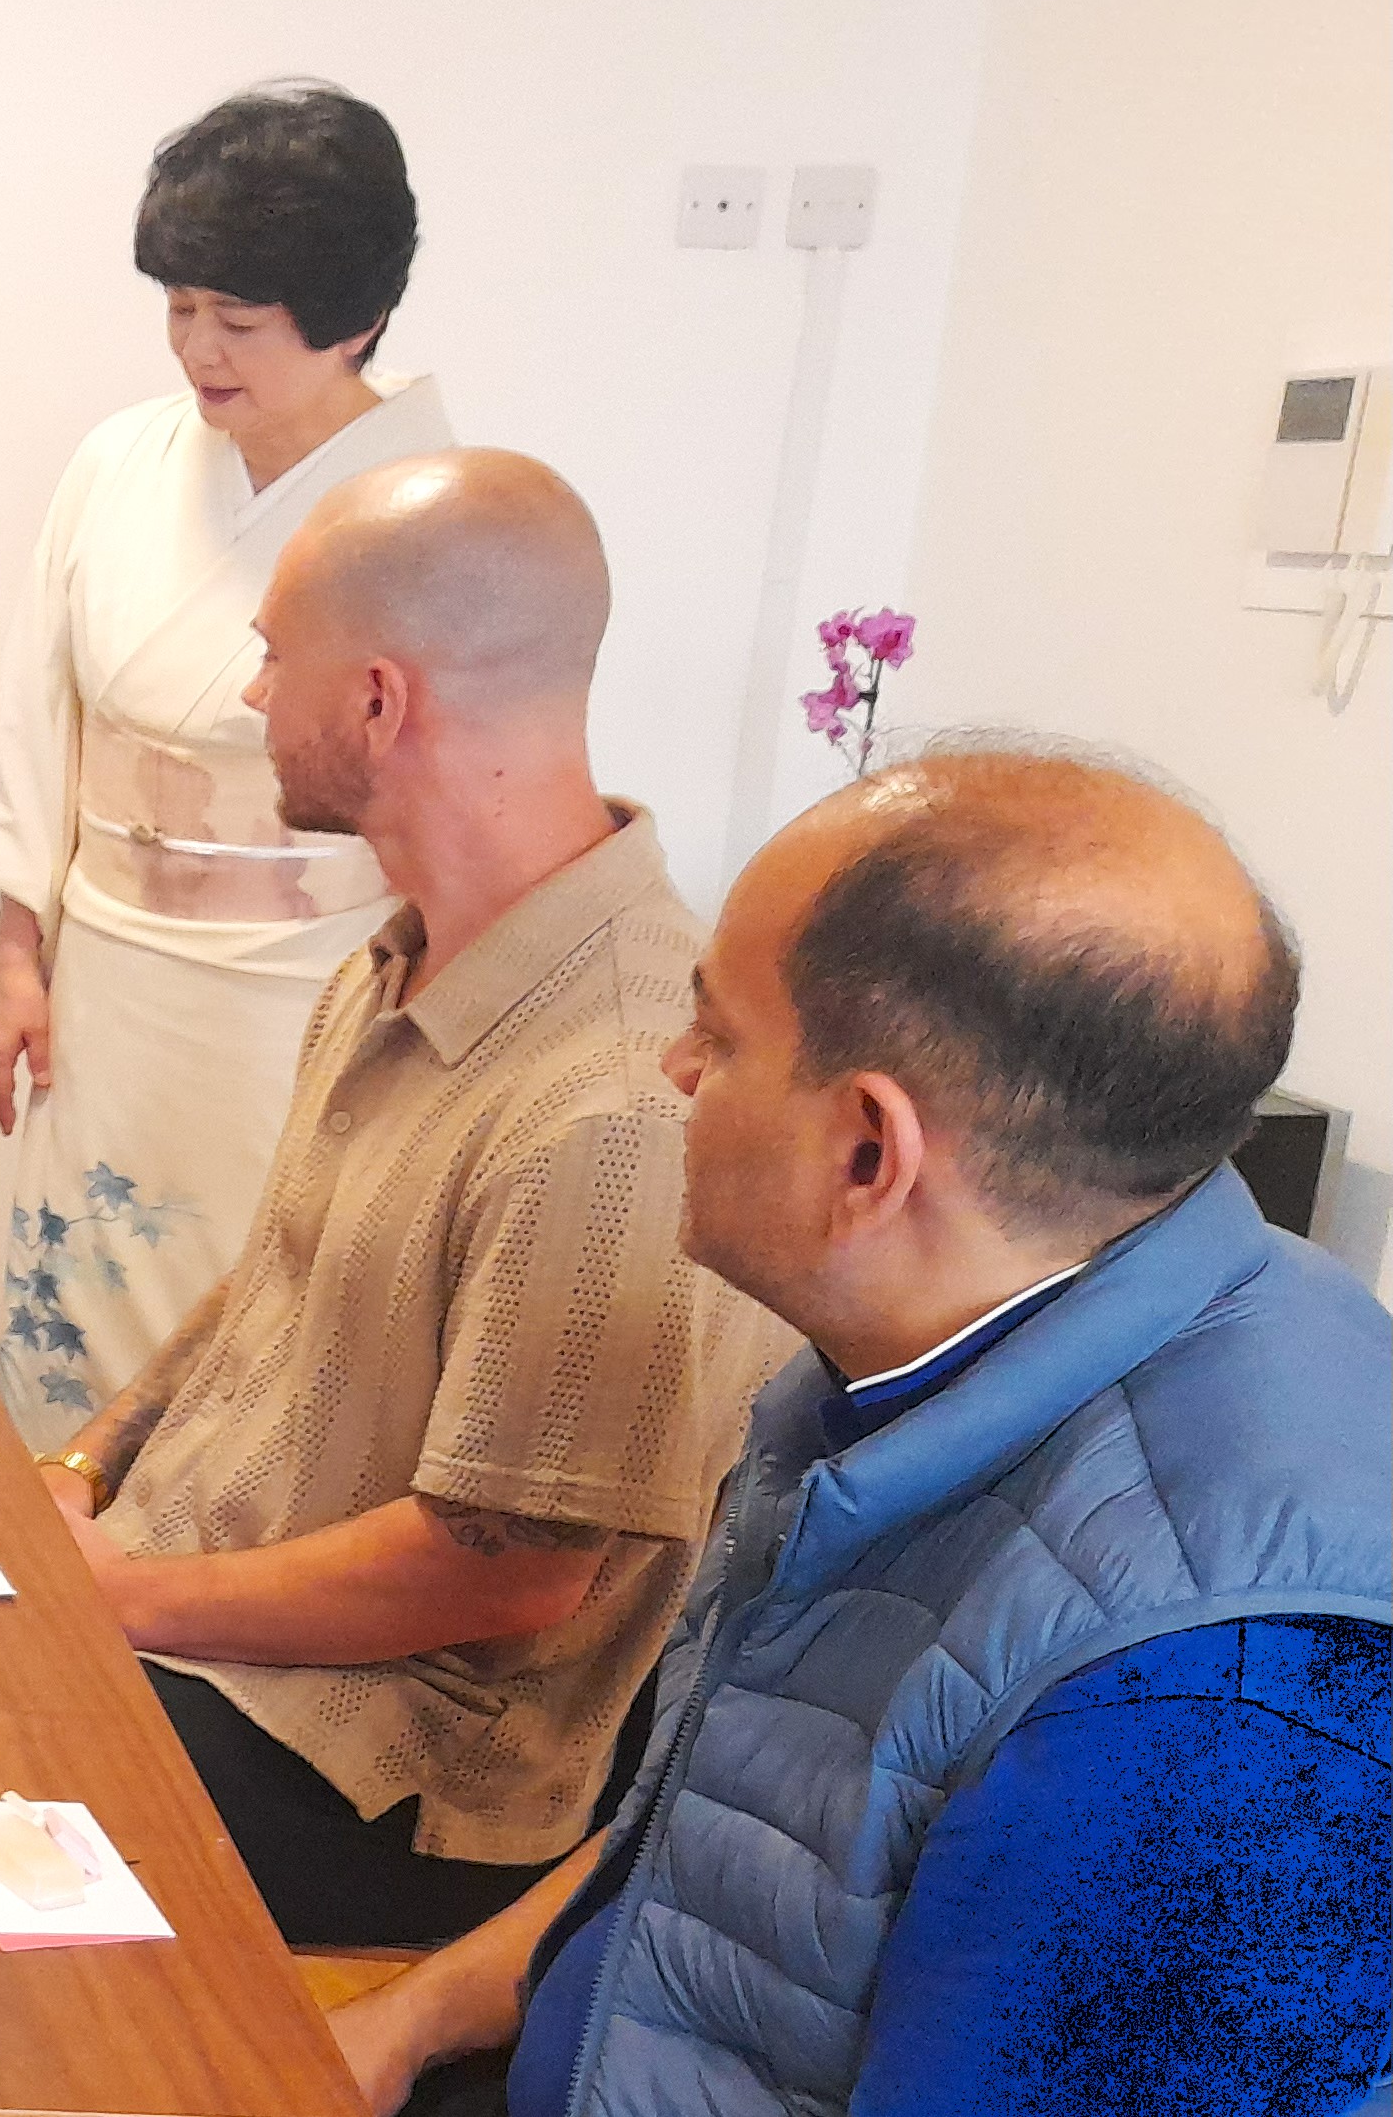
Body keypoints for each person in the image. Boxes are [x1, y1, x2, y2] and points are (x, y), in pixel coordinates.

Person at [329, 747, 1390, 2117]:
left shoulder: (1212, 1717)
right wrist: (412, 2016)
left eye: (718, 1035)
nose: (675, 1067)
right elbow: (710, 1858)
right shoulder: (957, 1339)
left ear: (869, 1153)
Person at [44, 451, 788, 1950]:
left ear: (380, 701)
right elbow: (272, 1280)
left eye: (274, 656)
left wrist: (122, 1601)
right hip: (208, 1619)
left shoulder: (617, 1094)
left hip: (389, 1759)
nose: (252, 694)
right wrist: (78, 1469)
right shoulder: (402, 963)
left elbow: (506, 1574)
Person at [0, 82, 457, 1450]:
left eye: (238, 318)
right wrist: (18, 955)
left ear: (351, 316)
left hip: (307, 990)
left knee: (267, 1341)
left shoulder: (428, 507)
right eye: (178, 307)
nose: (196, 348)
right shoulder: (119, 460)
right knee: (80, 1331)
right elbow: (35, 707)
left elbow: (458, 797)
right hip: (112, 978)